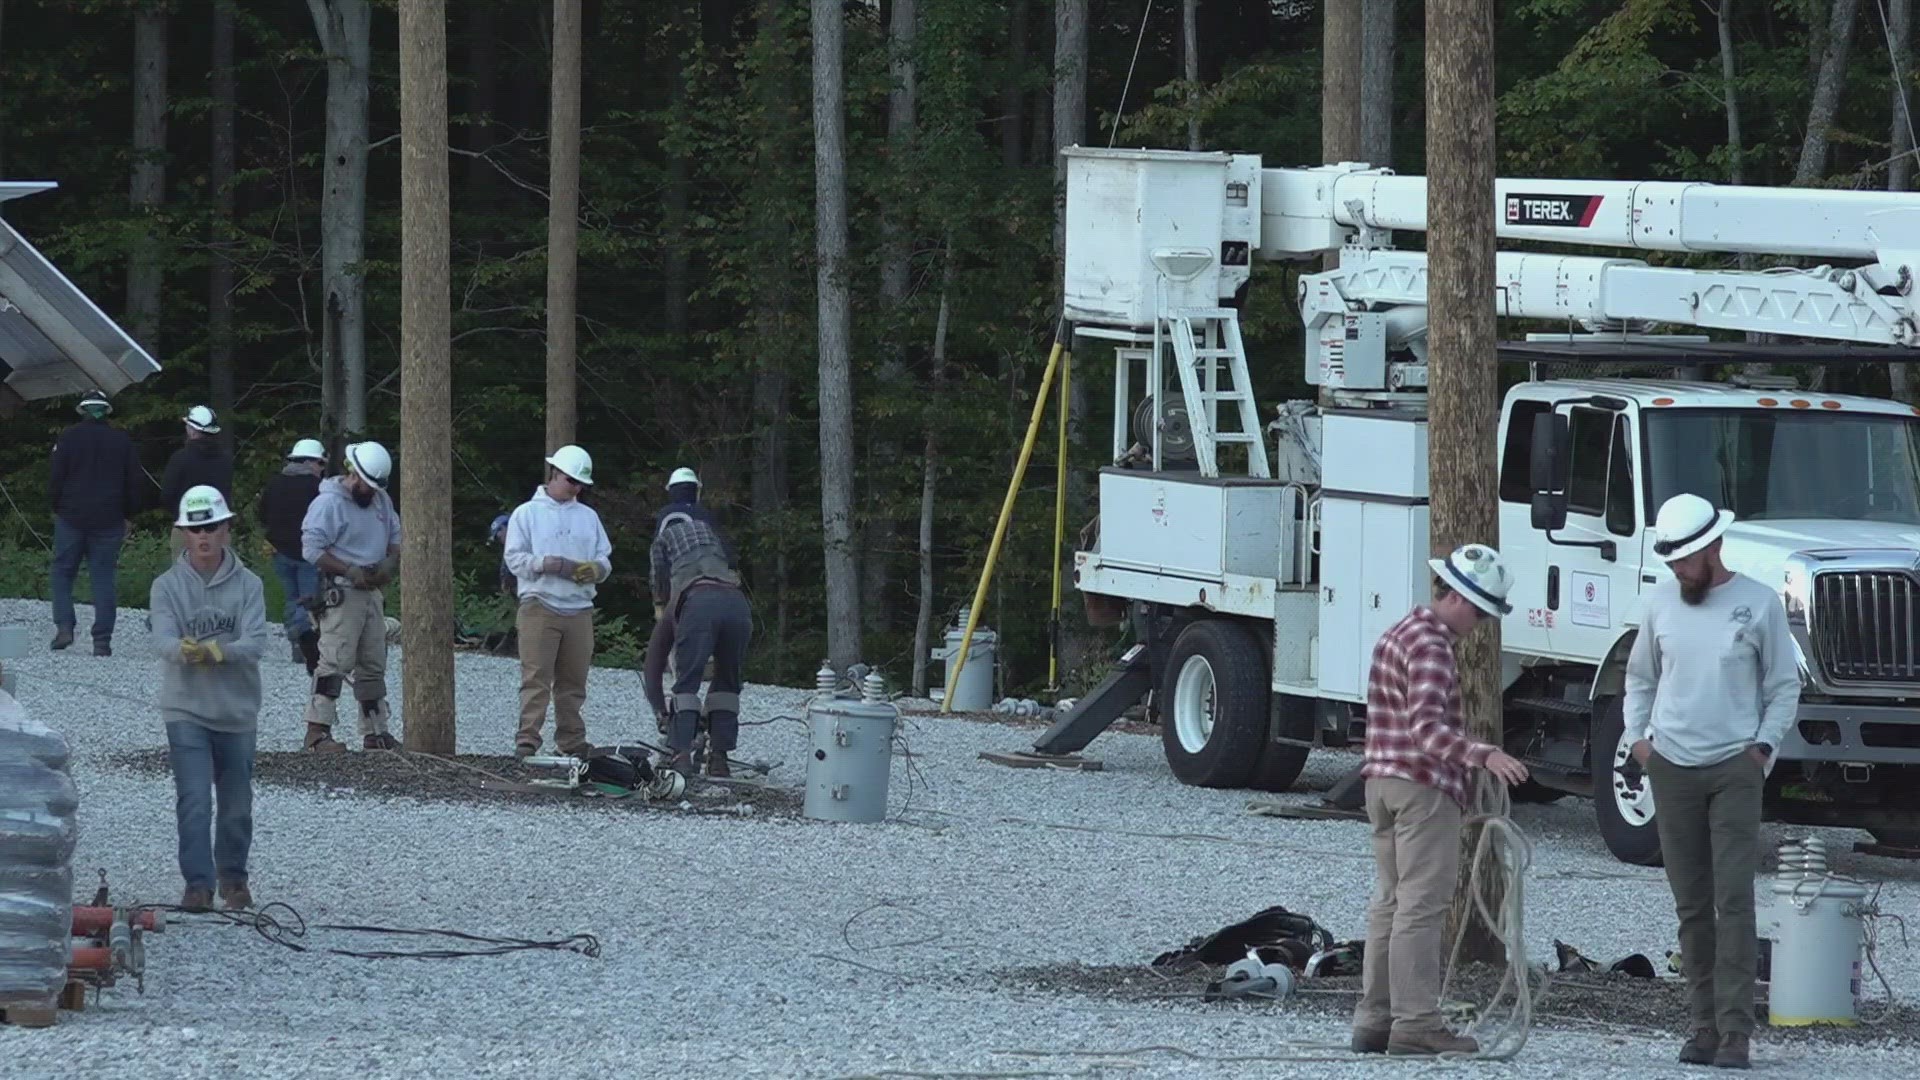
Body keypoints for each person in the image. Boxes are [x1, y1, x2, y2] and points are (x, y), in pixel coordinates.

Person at [1624, 494, 1798, 1071]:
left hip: (1735, 767)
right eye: (1670, 560)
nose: (1677, 569)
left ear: (1712, 547)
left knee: (1734, 899)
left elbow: (1782, 685)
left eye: (1684, 559)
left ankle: (1736, 1033)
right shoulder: (1660, 605)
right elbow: (1639, 678)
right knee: (1691, 904)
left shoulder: (1758, 603)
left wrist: (1763, 750)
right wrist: (1640, 743)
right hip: (1671, 764)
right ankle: (1701, 1024)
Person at [1350, 543, 1531, 1058]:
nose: (1478, 622)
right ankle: (1416, 1023)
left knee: (1389, 901)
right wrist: (1484, 755)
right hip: (1421, 787)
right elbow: (1426, 731)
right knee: (1421, 908)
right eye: (1477, 610)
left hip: (1380, 784)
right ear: (1454, 596)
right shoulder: (1432, 647)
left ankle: (1375, 1019)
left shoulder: (1397, 633)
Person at [149, 485, 270, 912]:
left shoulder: (250, 585)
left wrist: (219, 652)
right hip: (186, 711)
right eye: (195, 528)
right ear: (183, 533)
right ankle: (197, 885)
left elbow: (256, 641)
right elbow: (161, 637)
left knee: (237, 806)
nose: (203, 536)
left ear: (227, 530)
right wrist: (184, 651)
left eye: (212, 527)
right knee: (195, 799)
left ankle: (234, 880)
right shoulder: (166, 586)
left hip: (237, 714)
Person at [502, 445, 612, 759]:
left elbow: (605, 558)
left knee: (574, 682)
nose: (575, 487)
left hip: (579, 608)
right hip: (540, 604)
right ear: (554, 474)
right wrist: (542, 564)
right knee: (535, 677)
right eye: (571, 480)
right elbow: (513, 558)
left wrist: (596, 570)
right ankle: (527, 741)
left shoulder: (588, 517)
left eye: (579, 483)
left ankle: (572, 741)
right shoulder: (526, 513)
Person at [298, 441, 402, 752]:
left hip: (370, 592)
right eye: (364, 483)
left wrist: (389, 563)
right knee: (334, 661)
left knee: (373, 663)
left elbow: (396, 539)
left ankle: (375, 731)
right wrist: (349, 569)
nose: (367, 490)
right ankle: (316, 732)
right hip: (343, 590)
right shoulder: (328, 504)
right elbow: (311, 550)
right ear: (351, 472)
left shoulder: (381, 502)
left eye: (372, 485)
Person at [650, 504, 751, 777]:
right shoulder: (711, 536)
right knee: (728, 684)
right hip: (738, 604)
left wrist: (661, 711)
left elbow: (653, 666)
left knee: (687, 681)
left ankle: (681, 755)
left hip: (702, 607)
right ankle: (719, 758)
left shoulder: (678, 595)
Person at [48, 390, 146, 656]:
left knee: (62, 572)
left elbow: (56, 476)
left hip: (71, 515)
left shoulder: (68, 437)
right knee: (103, 578)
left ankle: (65, 627)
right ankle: (102, 639)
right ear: (106, 412)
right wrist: (129, 515)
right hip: (109, 518)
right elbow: (134, 482)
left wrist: (55, 506)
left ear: (83, 411)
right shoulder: (121, 441)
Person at [259, 439, 327, 675]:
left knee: (292, 598)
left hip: (280, 552)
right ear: (309, 462)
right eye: (320, 463)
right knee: (308, 601)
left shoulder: (275, 483)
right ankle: (303, 641)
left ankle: (296, 638)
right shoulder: (318, 488)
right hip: (307, 554)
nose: (321, 468)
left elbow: (262, 514)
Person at [160, 405, 234, 516]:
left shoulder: (180, 459)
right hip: (219, 525)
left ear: (193, 431)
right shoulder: (226, 459)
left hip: (186, 526)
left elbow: (167, 497)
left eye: (188, 426)